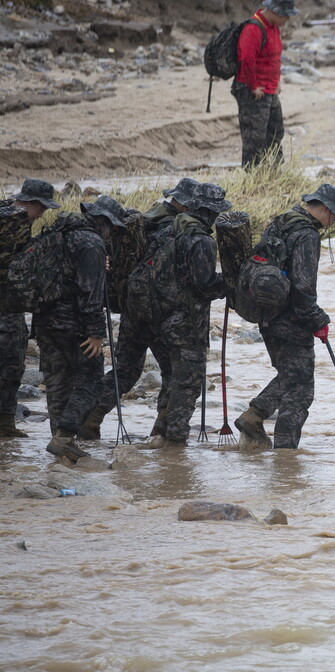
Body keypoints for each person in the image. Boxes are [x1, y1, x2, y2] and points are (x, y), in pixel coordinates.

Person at [235, 183, 335, 450]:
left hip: (266, 315)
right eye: (334, 215)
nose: (334, 221)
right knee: (300, 390)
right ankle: (286, 456)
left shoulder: (281, 222)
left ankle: (254, 416)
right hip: (291, 319)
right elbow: (304, 286)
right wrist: (317, 320)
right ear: (322, 208)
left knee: (290, 376)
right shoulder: (307, 235)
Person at [86, 177, 198, 442]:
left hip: (131, 309)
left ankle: (87, 420)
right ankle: (162, 430)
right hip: (160, 313)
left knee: (125, 369)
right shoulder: (177, 228)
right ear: (184, 204)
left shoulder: (144, 220)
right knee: (173, 370)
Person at [138, 183, 230, 448]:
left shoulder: (169, 229)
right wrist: (227, 283)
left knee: (175, 378)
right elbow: (204, 285)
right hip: (187, 323)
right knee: (189, 381)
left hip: (161, 319)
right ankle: (175, 441)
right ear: (209, 211)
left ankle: (160, 431)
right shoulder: (200, 240)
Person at [43, 196, 121, 460]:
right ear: (105, 222)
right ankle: (65, 436)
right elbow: (91, 294)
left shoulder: (58, 233)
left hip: (46, 321)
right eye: (112, 226)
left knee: (57, 382)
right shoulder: (92, 243)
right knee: (92, 382)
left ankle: (59, 441)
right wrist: (96, 333)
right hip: (75, 325)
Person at [0, 179, 58, 439]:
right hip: (6, 306)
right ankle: (4, 424)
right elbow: (21, 265)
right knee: (12, 363)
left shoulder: (3, 210)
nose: (42, 214)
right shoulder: (17, 220)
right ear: (32, 203)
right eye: (42, 209)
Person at [233, 0, 298, 169]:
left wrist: (277, 81)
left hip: (269, 89)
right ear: (277, 12)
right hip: (253, 91)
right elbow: (246, 59)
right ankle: (251, 174)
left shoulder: (274, 27)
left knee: (276, 131)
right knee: (254, 136)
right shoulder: (253, 29)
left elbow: (273, 58)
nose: (287, 20)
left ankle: (273, 172)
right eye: (286, 16)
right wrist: (253, 86)